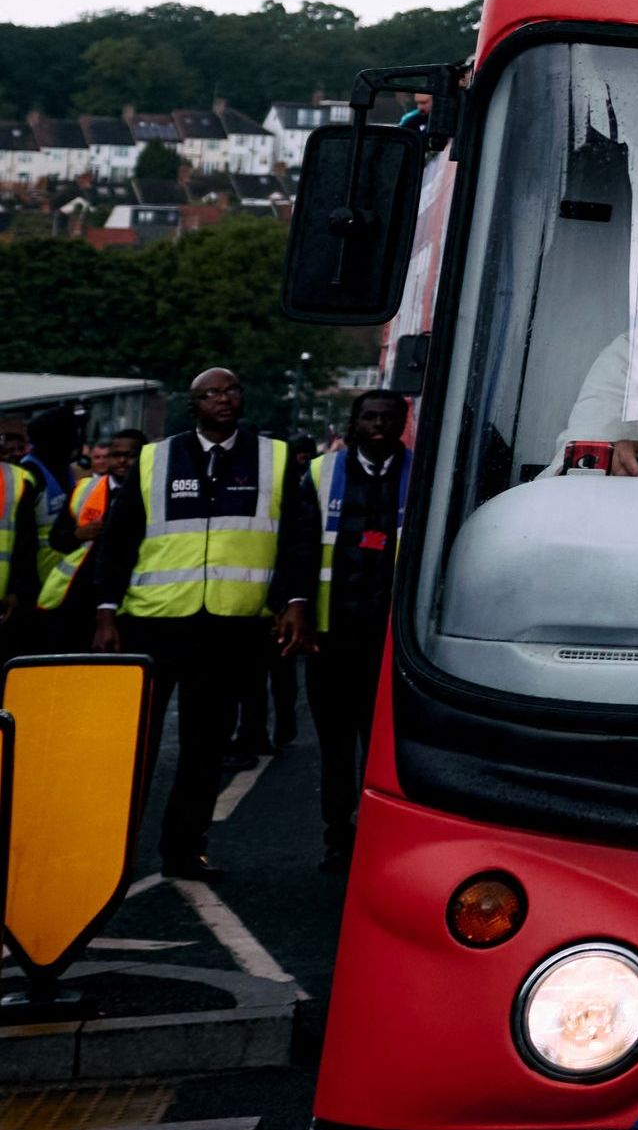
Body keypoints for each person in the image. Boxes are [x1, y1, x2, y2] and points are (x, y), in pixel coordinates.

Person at [82, 368, 316, 883]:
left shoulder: (272, 458)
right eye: (211, 393)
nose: (224, 400)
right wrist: (105, 610)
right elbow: (118, 541)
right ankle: (104, 855)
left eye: (232, 390)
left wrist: (296, 601)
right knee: (134, 745)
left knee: (205, 746)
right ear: (193, 405)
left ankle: (183, 851)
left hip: (230, 625)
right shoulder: (155, 458)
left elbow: (298, 538)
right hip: (154, 623)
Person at [312, 387, 412, 872]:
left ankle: (379, 835)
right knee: (335, 745)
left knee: (381, 744)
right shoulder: (321, 472)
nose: (378, 424)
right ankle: (338, 836)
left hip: (392, 638)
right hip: (334, 634)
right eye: (369, 416)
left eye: (388, 417)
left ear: (402, 422)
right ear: (355, 422)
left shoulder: (425, 474)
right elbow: (299, 546)